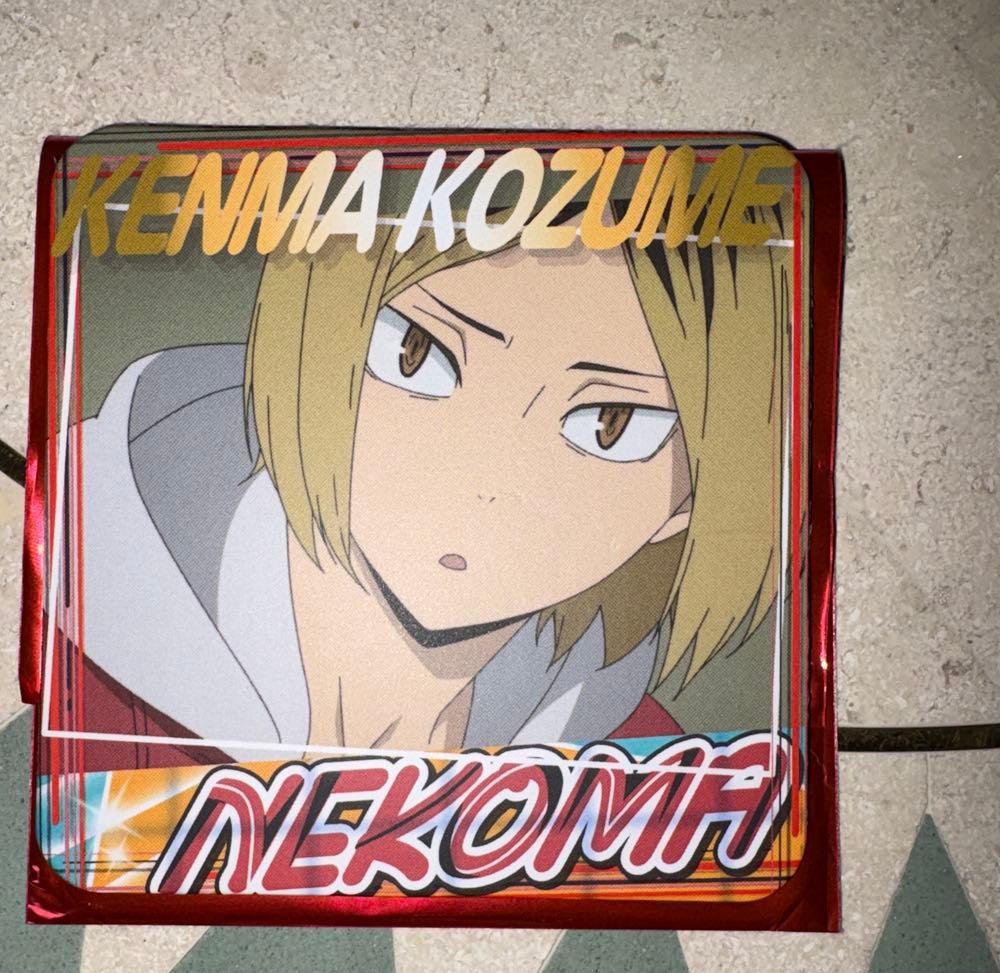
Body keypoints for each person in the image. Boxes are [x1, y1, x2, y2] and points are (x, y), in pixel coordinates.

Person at [73, 202, 794, 766]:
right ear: (315, 336)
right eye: (415, 352)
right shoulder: (83, 654)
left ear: (690, 497)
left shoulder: (643, 775)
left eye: (612, 424)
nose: (487, 476)